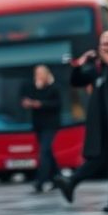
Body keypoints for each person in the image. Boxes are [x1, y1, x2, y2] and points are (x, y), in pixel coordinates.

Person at [55, 30, 108, 211]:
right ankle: (71, 182)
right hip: (103, 125)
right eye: (102, 44)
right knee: (103, 159)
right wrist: (79, 66)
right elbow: (77, 81)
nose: (104, 48)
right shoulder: (100, 68)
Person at [21, 64, 61, 192]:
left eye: (40, 73)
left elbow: (58, 104)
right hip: (38, 124)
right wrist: (29, 102)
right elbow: (26, 98)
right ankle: (58, 178)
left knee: (44, 151)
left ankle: (40, 181)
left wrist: (41, 104)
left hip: (51, 125)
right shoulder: (33, 87)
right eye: (36, 73)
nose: (38, 76)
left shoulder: (54, 87)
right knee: (48, 152)